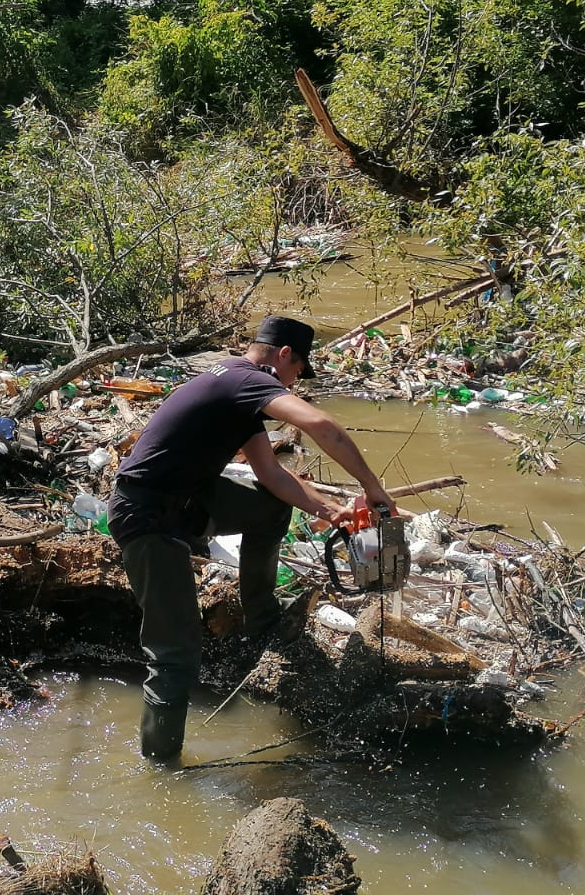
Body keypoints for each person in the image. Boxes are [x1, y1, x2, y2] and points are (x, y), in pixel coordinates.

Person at [108, 314, 395, 761]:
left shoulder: (232, 385)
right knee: (175, 655)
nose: (295, 383)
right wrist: (373, 488)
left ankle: (261, 622)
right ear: (284, 356)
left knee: (270, 507)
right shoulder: (246, 381)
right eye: (298, 372)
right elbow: (323, 426)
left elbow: (273, 476)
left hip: (182, 503)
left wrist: (331, 510)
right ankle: (160, 765)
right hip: (146, 516)